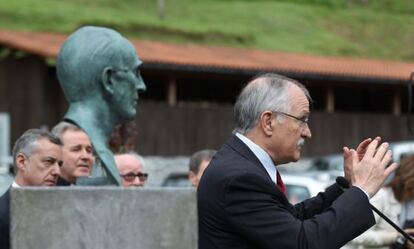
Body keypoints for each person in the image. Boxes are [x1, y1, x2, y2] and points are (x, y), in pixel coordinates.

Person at [197, 73, 397, 249]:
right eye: (302, 119)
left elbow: (289, 220)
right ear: (268, 122)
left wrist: (346, 185)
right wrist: (362, 190)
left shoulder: (240, 164)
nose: (308, 133)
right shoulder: (239, 178)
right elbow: (302, 242)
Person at [56, 26, 146, 185]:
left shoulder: (100, 147)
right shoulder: (62, 148)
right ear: (109, 80)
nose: (141, 86)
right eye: (136, 73)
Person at [0, 129, 63, 249]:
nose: (57, 171)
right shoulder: (2, 215)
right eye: (49, 162)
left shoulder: (61, 211)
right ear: (22, 162)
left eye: (59, 164)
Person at [51, 121, 95, 186]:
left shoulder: (97, 191)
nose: (85, 156)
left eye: (89, 151)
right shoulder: (44, 192)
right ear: (56, 153)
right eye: (76, 150)